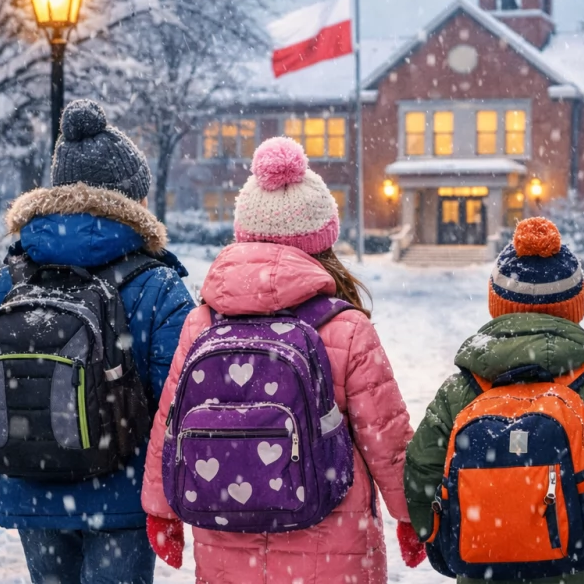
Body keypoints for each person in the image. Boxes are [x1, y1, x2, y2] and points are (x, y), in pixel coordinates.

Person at [140, 136, 421, 583]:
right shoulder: (345, 326)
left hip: (225, 532)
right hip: (332, 537)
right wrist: (412, 514)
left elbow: (169, 423)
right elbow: (385, 435)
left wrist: (160, 509)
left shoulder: (204, 322)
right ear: (322, 241)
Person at [0, 99, 195, 584]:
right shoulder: (156, 283)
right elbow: (180, 400)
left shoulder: (10, 278)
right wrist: (188, 487)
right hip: (122, 494)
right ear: (132, 201)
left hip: (29, 482)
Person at [404, 217, 584, 584]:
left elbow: (422, 470)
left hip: (487, 566)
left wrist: (431, 533)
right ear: (575, 307)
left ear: (497, 304)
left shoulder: (461, 390)